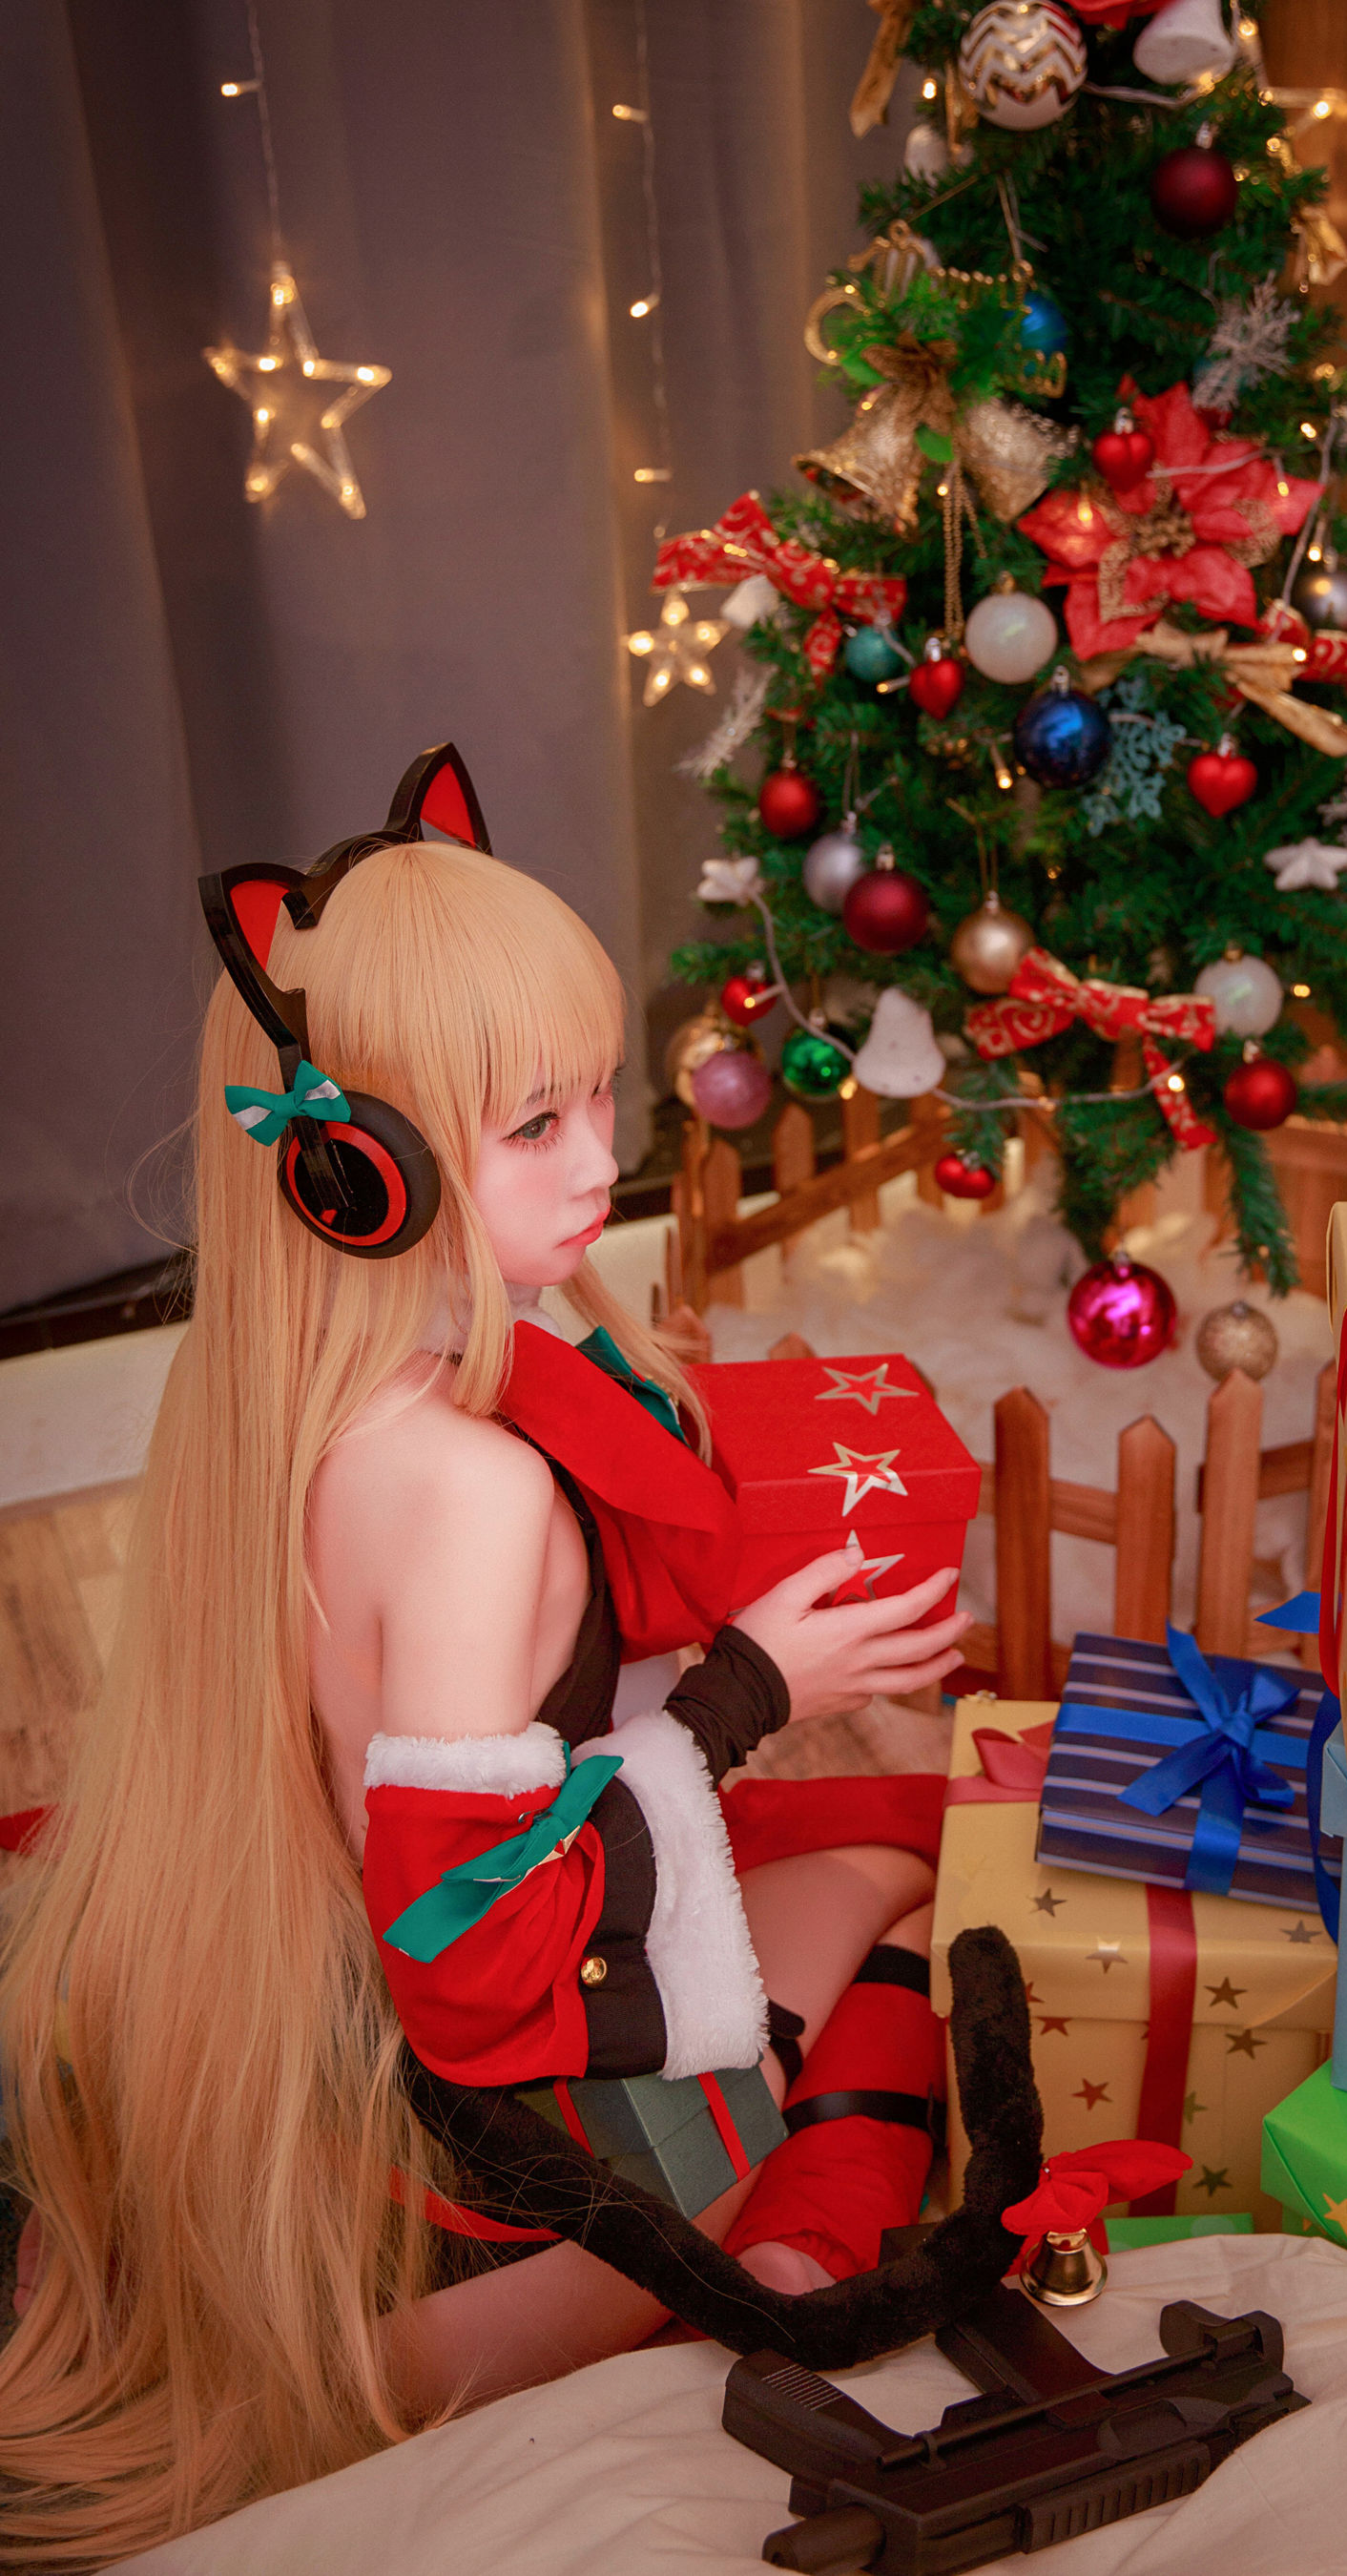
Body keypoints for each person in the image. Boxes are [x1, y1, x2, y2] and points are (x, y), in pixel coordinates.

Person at [0, 800, 976, 2565]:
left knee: (889, 1849)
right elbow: (474, 1955)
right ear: (352, 1169)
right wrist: (758, 1684)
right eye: (535, 1124)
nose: (605, 1158)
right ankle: (749, 2259)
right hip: (495, 2094)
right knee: (904, 1884)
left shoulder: (290, 1376)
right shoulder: (467, 1489)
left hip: (342, 1989)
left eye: (599, 1094)